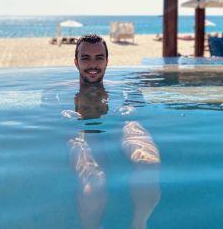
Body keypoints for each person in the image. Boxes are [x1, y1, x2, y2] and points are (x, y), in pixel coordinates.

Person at [69, 34, 161, 229]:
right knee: (94, 183)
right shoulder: (59, 92)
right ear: (76, 62)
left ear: (107, 61)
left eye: (99, 58)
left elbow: (138, 114)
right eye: (86, 58)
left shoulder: (125, 90)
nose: (93, 64)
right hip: (81, 127)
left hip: (121, 123)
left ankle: (139, 224)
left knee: (148, 163)